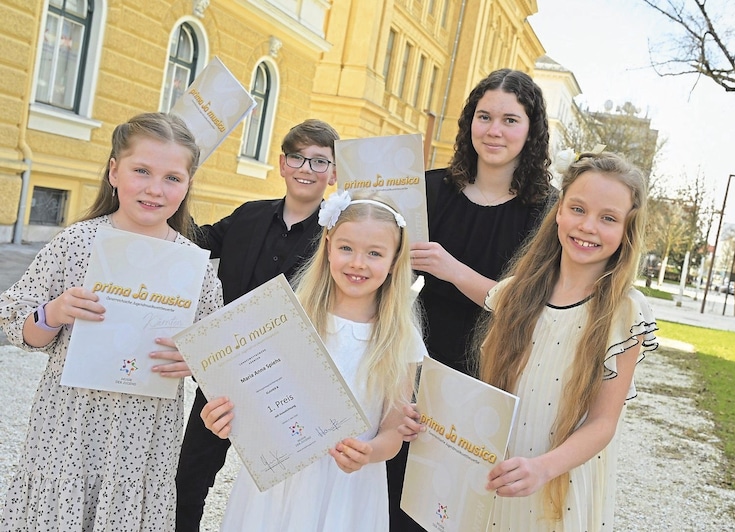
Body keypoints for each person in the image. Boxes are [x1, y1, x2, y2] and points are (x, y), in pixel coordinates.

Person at [401, 152, 658, 530]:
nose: (588, 226)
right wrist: (426, 420)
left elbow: (603, 423)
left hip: (558, 480)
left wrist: (543, 468)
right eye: (578, 209)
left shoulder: (624, 313)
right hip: (499, 472)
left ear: (626, 230)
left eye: (608, 218)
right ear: (558, 210)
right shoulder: (520, 293)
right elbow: (480, 392)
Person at [0, 112, 223, 531]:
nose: (155, 189)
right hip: (68, 426)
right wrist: (53, 313)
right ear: (114, 172)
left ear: (188, 184)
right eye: (142, 171)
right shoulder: (78, 242)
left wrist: (195, 361)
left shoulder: (195, 266)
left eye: (172, 177)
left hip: (145, 436)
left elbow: (214, 352)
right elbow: (17, 325)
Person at [388, 68, 555, 530]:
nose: (494, 131)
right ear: (469, 123)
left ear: (531, 130)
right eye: (484, 117)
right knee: (398, 485)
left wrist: (452, 269)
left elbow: (528, 304)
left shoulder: (547, 210)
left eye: (510, 120)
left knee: (459, 499)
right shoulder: (430, 188)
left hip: (494, 365)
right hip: (420, 354)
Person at [200, 191, 426, 531]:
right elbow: (257, 397)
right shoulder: (288, 316)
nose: (357, 263)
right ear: (328, 246)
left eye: (375, 253)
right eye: (346, 248)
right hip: (277, 486)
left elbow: (394, 429)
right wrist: (224, 417)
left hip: (347, 489)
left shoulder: (401, 338)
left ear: (395, 261)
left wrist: (372, 451)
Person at [175, 119, 340, 531]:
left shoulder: (338, 234)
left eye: (320, 161)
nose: (307, 168)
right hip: (225, 373)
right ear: (282, 164)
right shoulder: (249, 216)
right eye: (298, 157)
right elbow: (193, 240)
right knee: (190, 475)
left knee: (286, 488)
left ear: (334, 173)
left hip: (291, 380)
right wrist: (172, 188)